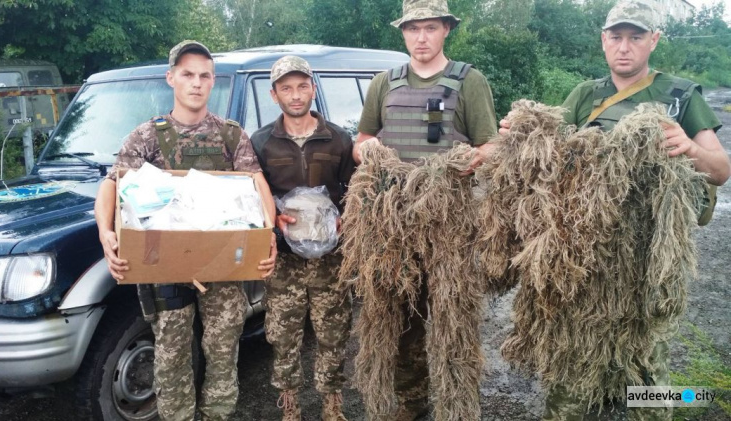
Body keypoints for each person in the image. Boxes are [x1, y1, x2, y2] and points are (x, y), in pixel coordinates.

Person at [500, 1, 730, 419]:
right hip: (584, 260)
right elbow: (552, 156)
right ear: (603, 41)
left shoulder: (681, 96)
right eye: (616, 37)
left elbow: (719, 171)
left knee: (645, 379)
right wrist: (522, 136)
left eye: (636, 37)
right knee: (571, 376)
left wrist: (690, 147)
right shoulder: (585, 95)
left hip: (646, 266)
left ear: (653, 41)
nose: (624, 47)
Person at [94, 40, 277, 421]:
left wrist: (267, 234)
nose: (197, 83)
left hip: (222, 266)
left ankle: (216, 415)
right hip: (166, 267)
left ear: (213, 82)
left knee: (223, 350)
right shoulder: (147, 136)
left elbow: (256, 184)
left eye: (205, 76)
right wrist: (106, 233)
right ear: (171, 78)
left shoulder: (230, 135)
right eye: (188, 74)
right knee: (172, 355)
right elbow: (113, 184)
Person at [353, 0, 498, 419]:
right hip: (393, 230)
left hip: (450, 228)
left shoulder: (468, 82)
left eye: (430, 28)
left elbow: (492, 144)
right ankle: (409, 404)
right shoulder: (385, 83)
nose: (421, 37)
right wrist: (369, 150)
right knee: (399, 324)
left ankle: (456, 408)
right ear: (403, 32)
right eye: (413, 29)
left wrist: (471, 159)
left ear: (446, 30)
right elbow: (360, 141)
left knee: (454, 327)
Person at [249, 55, 355, 421]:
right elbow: (254, 192)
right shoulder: (262, 141)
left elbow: (355, 191)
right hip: (285, 260)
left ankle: (332, 403)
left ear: (313, 88)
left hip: (330, 258)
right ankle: (290, 405)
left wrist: (346, 220)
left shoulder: (339, 138)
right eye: (286, 88)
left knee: (333, 332)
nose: (296, 95)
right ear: (274, 94)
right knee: (282, 335)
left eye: (302, 86)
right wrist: (273, 217)